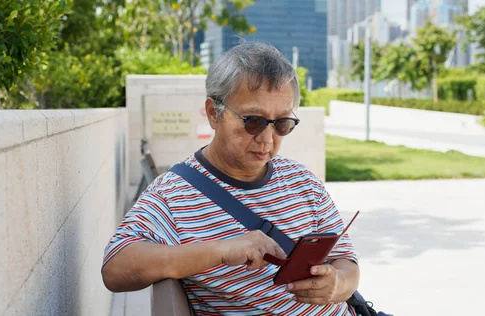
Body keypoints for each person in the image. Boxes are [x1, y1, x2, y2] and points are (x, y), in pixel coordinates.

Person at [102, 41, 360, 315]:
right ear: (214, 113)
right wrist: (220, 251)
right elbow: (116, 268)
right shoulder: (173, 194)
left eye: (282, 124)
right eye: (253, 121)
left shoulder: (303, 181)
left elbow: (347, 263)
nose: (267, 140)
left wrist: (337, 283)